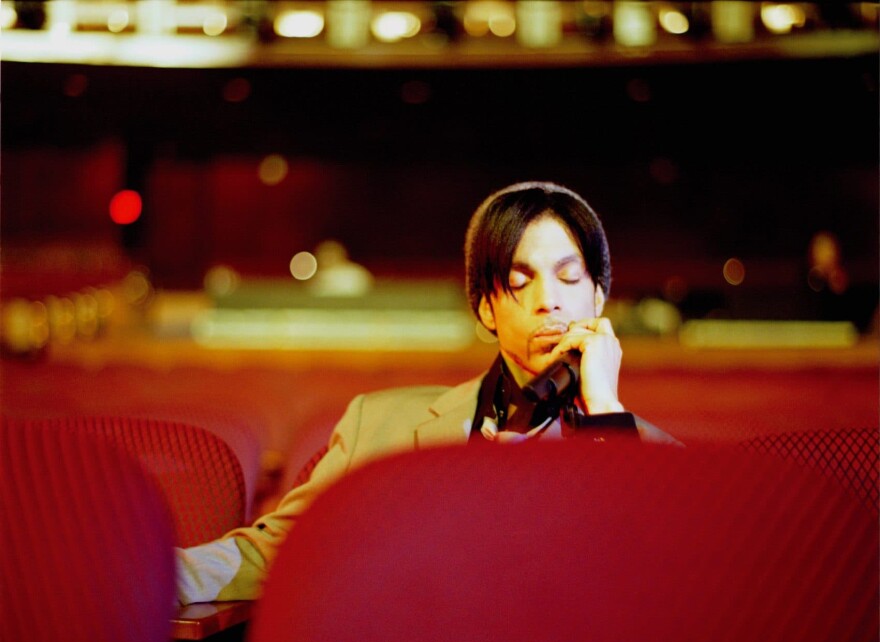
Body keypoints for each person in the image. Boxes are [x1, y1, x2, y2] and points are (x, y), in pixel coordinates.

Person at [176, 181, 681, 605]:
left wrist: (605, 416)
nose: (548, 301)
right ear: (486, 309)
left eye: (569, 278)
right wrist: (145, 576)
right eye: (518, 281)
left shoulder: (655, 457)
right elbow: (279, 551)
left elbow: (656, 585)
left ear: (598, 297)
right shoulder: (376, 423)